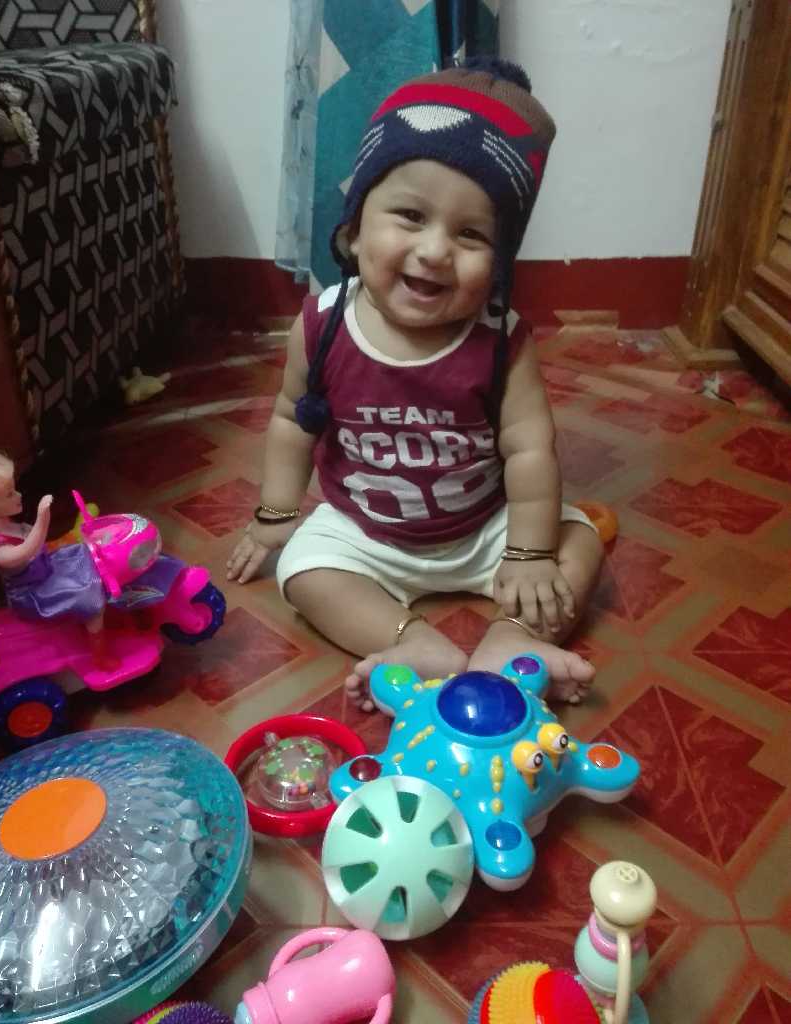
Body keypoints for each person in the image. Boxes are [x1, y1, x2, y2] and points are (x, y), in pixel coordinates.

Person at [227, 59, 604, 708]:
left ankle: (511, 639)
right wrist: (276, 515)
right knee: (304, 570)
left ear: (500, 263)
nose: (434, 251)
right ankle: (411, 640)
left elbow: (530, 450)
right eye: (409, 215)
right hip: (367, 530)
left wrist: (527, 555)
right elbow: (292, 419)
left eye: (471, 233)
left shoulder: (501, 340)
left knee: (579, 541)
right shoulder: (322, 325)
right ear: (353, 228)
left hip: (484, 529)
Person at [0, 446, 112, 662]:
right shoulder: (0, 549)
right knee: (91, 599)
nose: (18, 495)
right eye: (9, 493)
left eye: (14, 489)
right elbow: (28, 549)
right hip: (35, 594)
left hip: (46, 571)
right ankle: (100, 656)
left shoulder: (1, 522)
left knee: (85, 556)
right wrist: (42, 520)